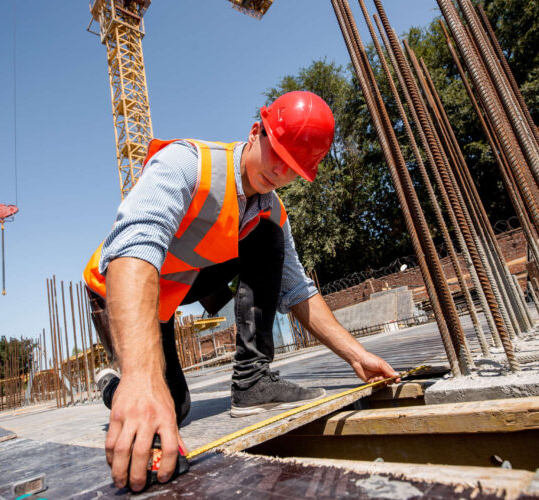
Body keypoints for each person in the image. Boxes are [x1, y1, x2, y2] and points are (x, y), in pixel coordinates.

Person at [83, 91, 400, 491]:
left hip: (175, 286)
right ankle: (115, 382)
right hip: (119, 288)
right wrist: (141, 379)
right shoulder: (187, 163)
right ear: (255, 131)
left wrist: (359, 355)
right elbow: (135, 246)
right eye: (277, 154)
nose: (281, 172)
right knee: (172, 408)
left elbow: (298, 289)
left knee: (268, 236)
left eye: (294, 169)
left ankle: (252, 381)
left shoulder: (271, 208)